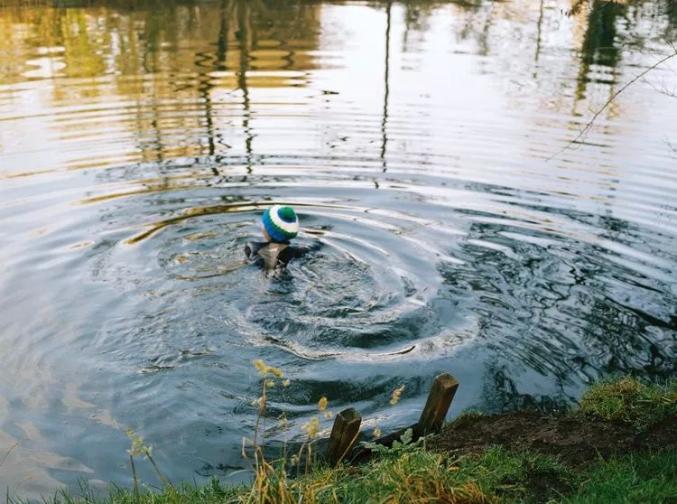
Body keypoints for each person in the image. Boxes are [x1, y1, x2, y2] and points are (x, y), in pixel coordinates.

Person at [245, 205, 316, 270]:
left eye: (263, 224)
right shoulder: (298, 252)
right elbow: (315, 247)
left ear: (268, 231)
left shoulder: (254, 249)